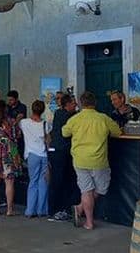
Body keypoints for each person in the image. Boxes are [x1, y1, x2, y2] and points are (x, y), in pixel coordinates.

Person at [63, 91, 122, 230]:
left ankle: (83, 213)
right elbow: (117, 132)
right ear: (95, 103)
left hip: (80, 160)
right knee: (101, 189)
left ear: (81, 103)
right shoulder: (103, 118)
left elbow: (64, 132)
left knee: (86, 191)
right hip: (98, 160)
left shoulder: (75, 119)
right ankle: (85, 216)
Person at [47, 94, 79, 222]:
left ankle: (60, 209)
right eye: (74, 103)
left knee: (60, 180)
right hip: (61, 152)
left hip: (58, 151)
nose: (76, 105)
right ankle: (56, 210)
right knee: (59, 180)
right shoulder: (68, 116)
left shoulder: (58, 113)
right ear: (67, 104)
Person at [0, 100, 22, 216]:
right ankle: (9, 209)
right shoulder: (11, 122)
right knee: (9, 181)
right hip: (9, 151)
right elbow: (17, 135)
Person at [20, 100, 50, 218]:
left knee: (33, 182)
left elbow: (17, 126)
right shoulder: (45, 124)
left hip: (32, 155)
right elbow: (48, 140)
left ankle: (30, 210)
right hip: (44, 155)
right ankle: (41, 210)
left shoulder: (24, 122)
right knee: (43, 182)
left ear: (32, 109)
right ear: (42, 111)